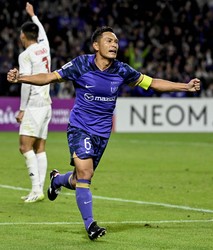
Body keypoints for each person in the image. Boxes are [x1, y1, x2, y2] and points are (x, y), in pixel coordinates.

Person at [7, 26, 200, 239]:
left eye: (116, 42)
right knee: (85, 174)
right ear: (96, 45)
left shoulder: (122, 70)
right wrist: (20, 78)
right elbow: (50, 77)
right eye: (109, 41)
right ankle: (91, 226)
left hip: (102, 133)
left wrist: (185, 87)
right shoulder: (81, 64)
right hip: (80, 128)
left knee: (79, 178)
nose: (114, 45)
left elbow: (152, 83)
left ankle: (57, 180)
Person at [15, 2, 52, 203]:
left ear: (23, 36)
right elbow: (43, 32)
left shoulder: (26, 54)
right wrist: (34, 15)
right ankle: (37, 190)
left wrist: (22, 109)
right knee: (39, 147)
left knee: (24, 146)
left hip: (35, 103)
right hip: (47, 103)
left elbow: (25, 83)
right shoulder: (44, 47)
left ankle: (36, 189)